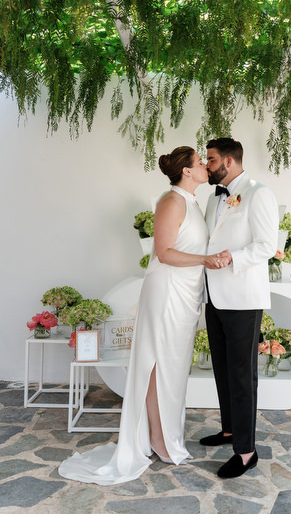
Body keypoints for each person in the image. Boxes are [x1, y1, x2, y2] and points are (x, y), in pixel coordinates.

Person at [59, 146, 228, 485]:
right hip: (167, 293)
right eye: (200, 163)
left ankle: (162, 435)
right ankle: (158, 438)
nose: (206, 167)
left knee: (175, 366)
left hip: (186, 295)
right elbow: (163, 253)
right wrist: (205, 260)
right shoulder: (171, 201)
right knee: (158, 364)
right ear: (186, 171)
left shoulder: (193, 202)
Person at [200, 137, 279, 478]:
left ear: (228, 162)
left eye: (211, 159)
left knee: (243, 376)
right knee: (222, 369)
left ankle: (246, 452)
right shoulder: (212, 198)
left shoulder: (259, 193)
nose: (207, 165)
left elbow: (266, 245)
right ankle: (230, 430)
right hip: (213, 296)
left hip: (243, 299)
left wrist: (233, 257)